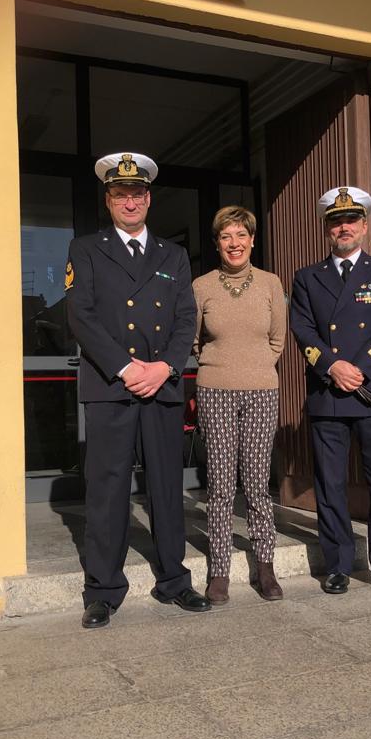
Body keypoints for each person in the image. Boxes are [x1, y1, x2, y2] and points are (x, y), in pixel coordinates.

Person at [65, 152, 211, 629]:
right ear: (109, 200)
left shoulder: (173, 255)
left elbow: (186, 316)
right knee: (106, 491)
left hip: (162, 386)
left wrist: (166, 365)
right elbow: (81, 316)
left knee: (167, 487)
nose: (130, 202)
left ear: (149, 198)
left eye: (138, 194)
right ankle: (103, 590)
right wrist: (127, 368)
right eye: (120, 194)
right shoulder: (86, 249)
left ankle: (174, 580)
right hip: (112, 387)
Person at [289, 186, 371, 597]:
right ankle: (338, 564)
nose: (345, 227)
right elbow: (302, 329)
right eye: (336, 221)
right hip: (329, 394)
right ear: (327, 228)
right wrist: (331, 365)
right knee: (331, 484)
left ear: (364, 225)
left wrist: (360, 367)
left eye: (352, 220)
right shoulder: (308, 277)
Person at [192, 205, 287, 604]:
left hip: (261, 391)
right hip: (215, 389)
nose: (235, 243)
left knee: (256, 482)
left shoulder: (270, 283)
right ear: (217, 243)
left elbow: (278, 339)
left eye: (241, 235)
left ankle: (264, 565)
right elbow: (195, 340)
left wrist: (257, 367)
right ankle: (219, 570)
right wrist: (219, 366)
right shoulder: (201, 286)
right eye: (226, 236)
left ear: (252, 240)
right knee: (219, 484)